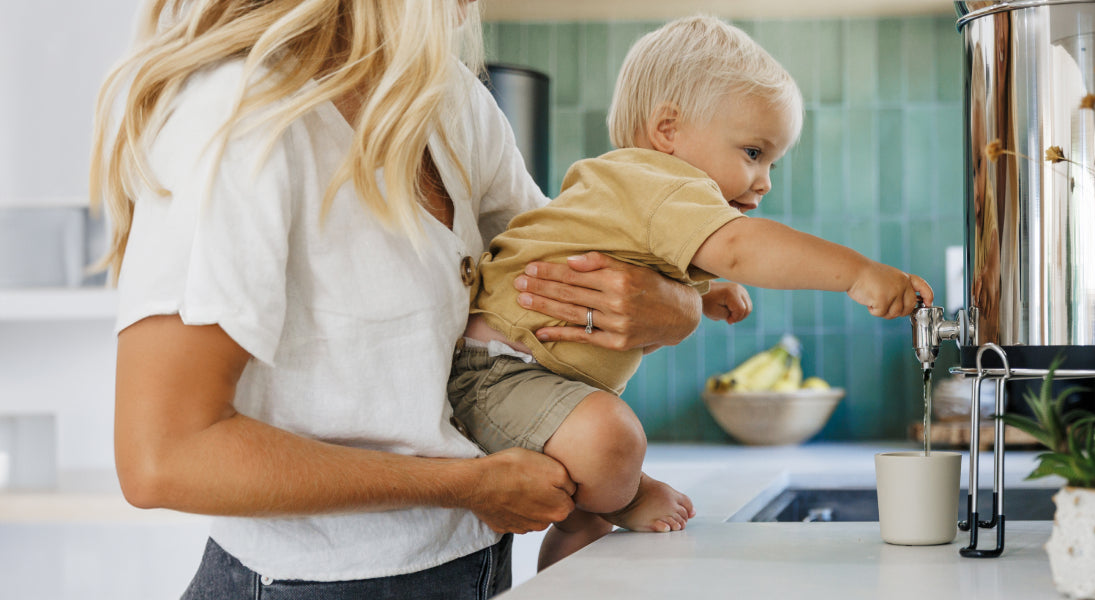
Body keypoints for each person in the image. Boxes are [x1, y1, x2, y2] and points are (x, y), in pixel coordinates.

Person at [91, 1, 707, 596]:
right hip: (311, 587)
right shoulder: (237, 120)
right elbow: (164, 457)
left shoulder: (448, 99)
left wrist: (673, 307)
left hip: (475, 566)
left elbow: (559, 281)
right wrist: (465, 485)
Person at [453, 15, 935, 569]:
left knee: (600, 474)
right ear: (668, 131)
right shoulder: (658, 182)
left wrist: (699, 298)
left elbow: (625, 259)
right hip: (501, 372)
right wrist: (856, 272)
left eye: (772, 160)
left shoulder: (640, 195)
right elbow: (740, 248)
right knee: (616, 441)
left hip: (522, 376)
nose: (765, 180)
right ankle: (626, 495)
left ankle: (587, 521)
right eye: (753, 152)